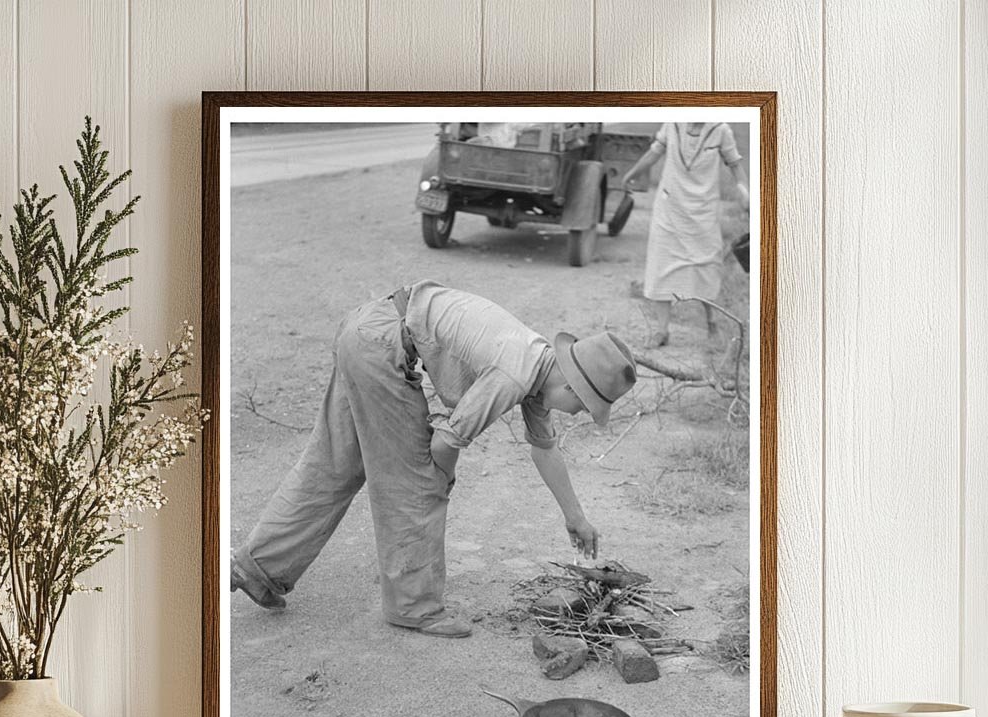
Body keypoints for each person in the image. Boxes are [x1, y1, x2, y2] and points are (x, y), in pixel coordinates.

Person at [231, 280, 639, 639]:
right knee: (420, 482)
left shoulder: (540, 366)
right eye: (583, 407)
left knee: (336, 464)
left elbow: (545, 448)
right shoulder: (515, 374)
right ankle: (414, 606)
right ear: (570, 386)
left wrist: (576, 517)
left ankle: (257, 567)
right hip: (379, 347)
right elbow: (445, 446)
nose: (578, 415)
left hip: (366, 329)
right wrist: (440, 478)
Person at [621, 122, 749, 347]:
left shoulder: (720, 130)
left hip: (704, 211)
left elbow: (735, 166)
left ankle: (712, 323)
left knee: (707, 267)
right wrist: (631, 174)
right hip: (670, 209)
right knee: (662, 267)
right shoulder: (672, 125)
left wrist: (744, 193)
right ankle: (662, 331)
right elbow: (653, 154)